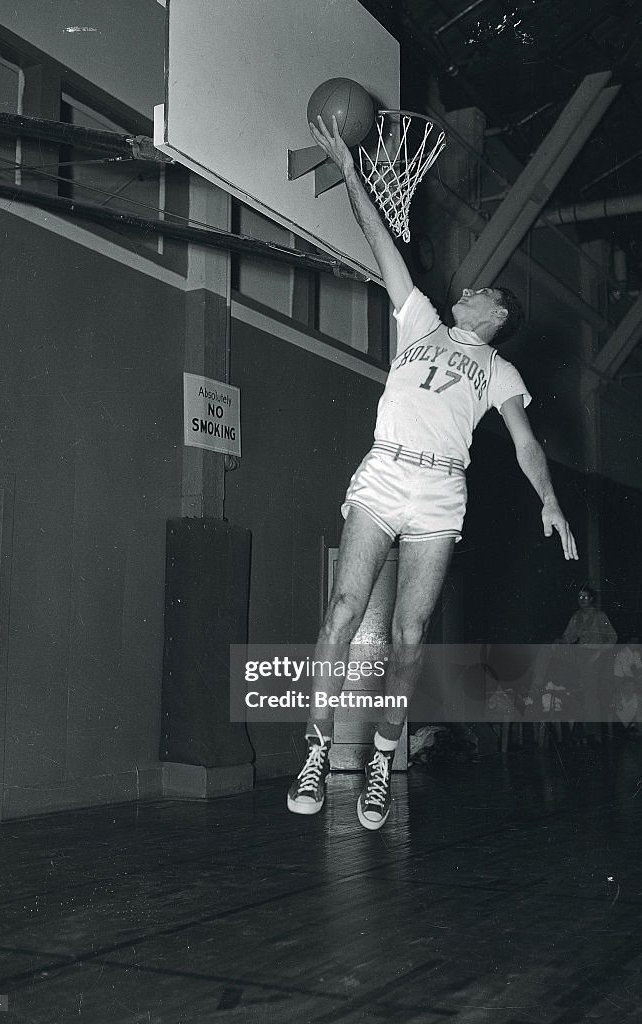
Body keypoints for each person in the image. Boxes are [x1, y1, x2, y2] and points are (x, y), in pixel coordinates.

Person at [287, 114, 578, 831]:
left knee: (411, 636)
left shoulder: (497, 367)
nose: (469, 287)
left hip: (442, 489)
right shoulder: (416, 320)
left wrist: (550, 501)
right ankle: (317, 750)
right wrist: (350, 169)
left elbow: (522, 440)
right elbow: (378, 240)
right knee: (344, 612)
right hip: (384, 475)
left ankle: (382, 761)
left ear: (494, 314)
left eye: (482, 290)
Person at [562, 584, 617, 742]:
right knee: (575, 691)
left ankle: (594, 732)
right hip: (580, 656)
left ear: (591, 598)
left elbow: (613, 637)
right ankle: (576, 731)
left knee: (590, 694)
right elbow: (568, 637)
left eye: (585, 597)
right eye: (580, 597)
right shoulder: (576, 617)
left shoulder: (600, 616)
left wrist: (598, 653)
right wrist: (568, 646)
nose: (582, 600)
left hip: (597, 657)